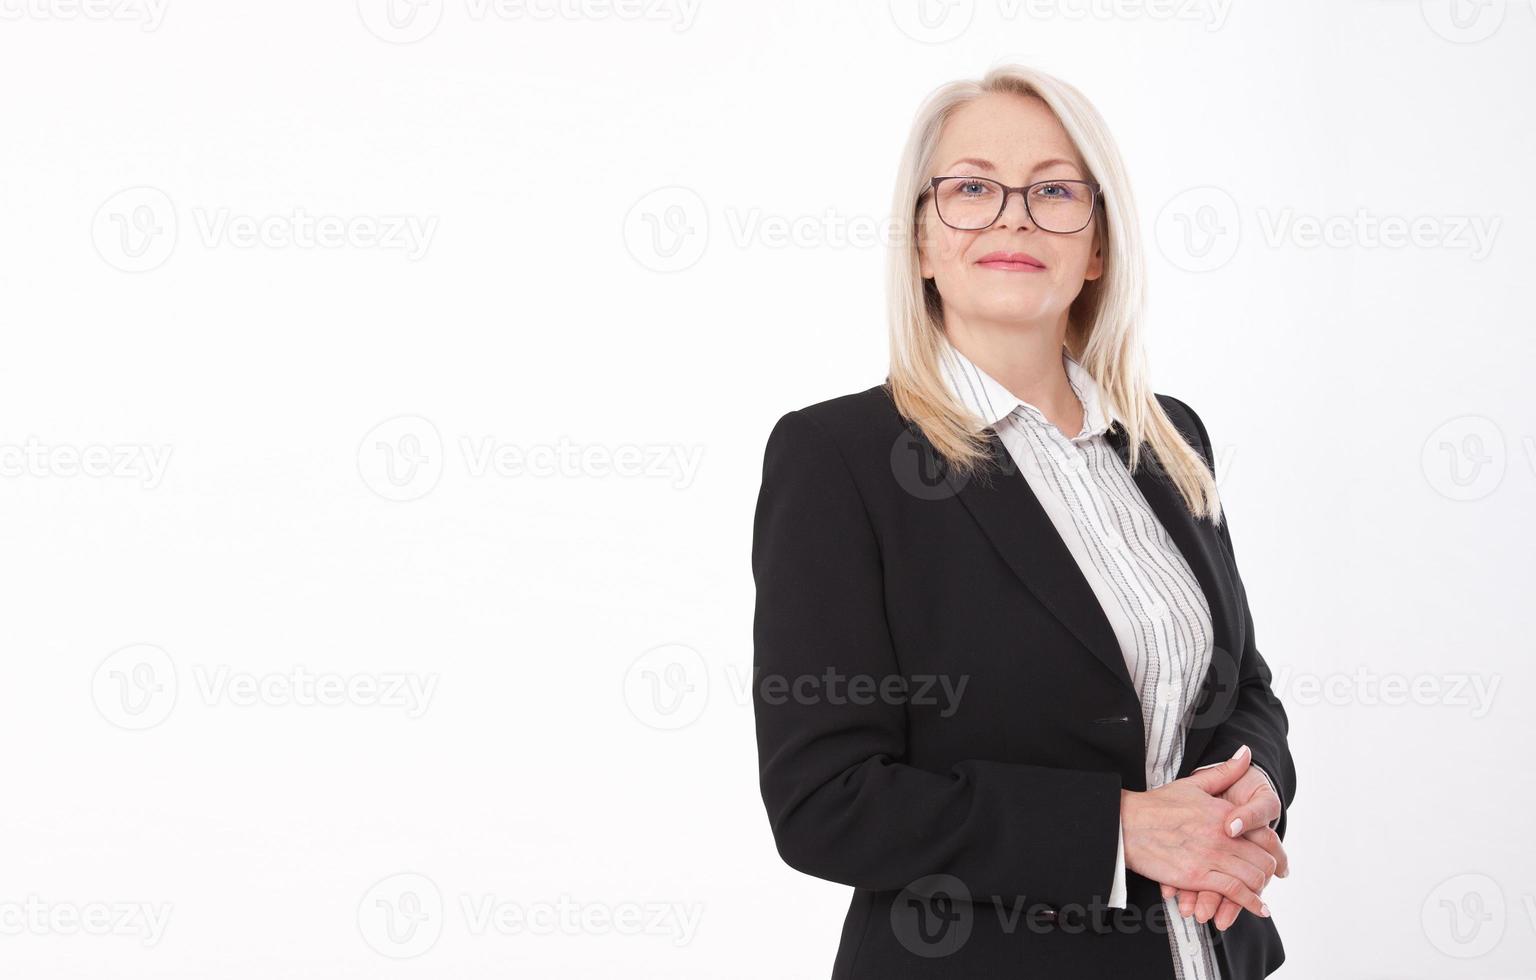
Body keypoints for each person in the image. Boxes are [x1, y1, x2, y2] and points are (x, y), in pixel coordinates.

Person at [750, 64, 1296, 979]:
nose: (1013, 217)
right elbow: (825, 800)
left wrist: (1253, 796)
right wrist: (1123, 831)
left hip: (1211, 957)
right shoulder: (838, 457)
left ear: (1096, 246)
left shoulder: (1168, 438)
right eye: (971, 189)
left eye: (1053, 191)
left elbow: (1247, 691)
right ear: (921, 240)